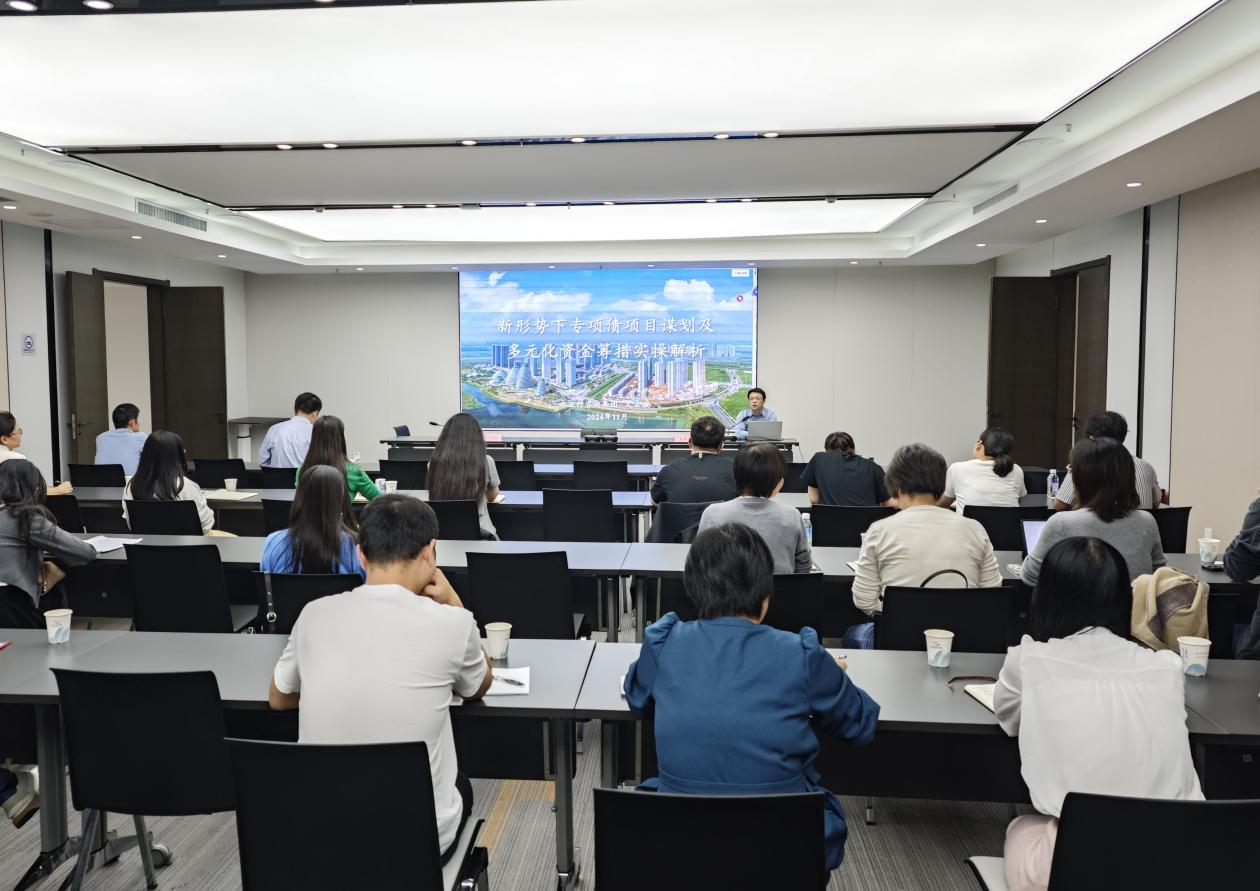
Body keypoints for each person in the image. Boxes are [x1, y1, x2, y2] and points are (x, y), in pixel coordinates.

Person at [625, 523, 880, 872]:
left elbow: (638, 698)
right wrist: (827, 673)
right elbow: (860, 726)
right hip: (784, 851)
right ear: (766, 594)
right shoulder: (802, 654)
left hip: (681, 847)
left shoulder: (663, 643)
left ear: (694, 589)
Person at [268, 495, 492, 863]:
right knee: (460, 783)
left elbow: (278, 698)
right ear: (429, 552)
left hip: (323, 835)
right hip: (416, 843)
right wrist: (453, 600)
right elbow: (478, 685)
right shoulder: (453, 623)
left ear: (361, 555)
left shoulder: (312, 614)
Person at [994, 536, 1203, 891]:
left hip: (1077, 864)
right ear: (1124, 598)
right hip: (1176, 862)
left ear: (1046, 596)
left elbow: (1009, 719)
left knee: (1021, 828)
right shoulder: (1167, 667)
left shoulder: (1028, 660)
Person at [0, 459, 97, 827]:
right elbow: (85, 553)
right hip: (11, 613)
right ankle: (48, 757)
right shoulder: (26, 518)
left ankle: (12, 782)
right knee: (42, 682)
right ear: (33, 489)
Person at [846, 443, 1001, 648]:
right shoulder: (975, 529)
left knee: (852, 634)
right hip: (960, 640)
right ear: (941, 484)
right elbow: (991, 593)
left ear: (895, 485)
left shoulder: (879, 530)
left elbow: (863, 600)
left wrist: (896, 613)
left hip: (899, 640)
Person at [1019, 437, 1164, 588]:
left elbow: (1030, 576)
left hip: (1075, 602)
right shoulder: (1147, 522)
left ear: (1079, 478)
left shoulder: (1061, 523)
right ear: (1128, 476)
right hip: (1131, 603)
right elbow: (1159, 574)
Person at [697, 442, 811, 574]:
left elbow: (701, 562)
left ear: (736, 477)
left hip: (727, 587)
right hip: (778, 588)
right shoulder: (791, 515)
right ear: (778, 482)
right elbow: (803, 567)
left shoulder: (713, 513)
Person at [260, 464, 365, 580]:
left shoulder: (273, 542)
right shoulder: (357, 547)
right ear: (339, 500)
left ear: (299, 497)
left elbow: (266, 582)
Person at [1053, 411, 1160, 510]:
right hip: (1141, 524)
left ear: (1091, 438)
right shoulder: (1146, 466)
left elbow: (1059, 505)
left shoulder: (1086, 463)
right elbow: (1156, 503)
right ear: (1123, 437)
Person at [123, 430, 216, 534]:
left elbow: (131, 524)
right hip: (188, 544)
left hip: (146, 543)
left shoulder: (131, 485)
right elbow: (206, 524)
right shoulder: (185, 486)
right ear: (177, 456)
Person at [425, 412, 500, 539]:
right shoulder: (486, 461)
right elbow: (492, 497)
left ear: (445, 436)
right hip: (481, 536)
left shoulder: (432, 463)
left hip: (442, 536)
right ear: (477, 437)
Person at [650, 415, 737, 505]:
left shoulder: (669, 470)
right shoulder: (737, 470)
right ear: (721, 446)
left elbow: (654, 502)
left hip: (680, 515)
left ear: (689, 442)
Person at [939, 427, 1026, 512]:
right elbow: (1017, 501)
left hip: (969, 522)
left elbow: (943, 504)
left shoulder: (957, 468)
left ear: (979, 444)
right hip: (1008, 521)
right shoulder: (1016, 470)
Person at [296, 415, 380, 502]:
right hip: (342, 511)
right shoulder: (352, 471)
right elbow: (380, 499)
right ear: (340, 439)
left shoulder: (302, 470)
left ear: (314, 438)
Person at [800, 431, 892, 507]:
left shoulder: (819, 459)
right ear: (853, 449)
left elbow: (814, 499)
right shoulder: (872, 466)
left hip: (829, 522)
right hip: (868, 523)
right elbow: (890, 502)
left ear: (827, 450)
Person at [0, 412, 71, 495]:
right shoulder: (15, 460)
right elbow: (33, 491)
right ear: (4, 439)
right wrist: (58, 490)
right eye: (18, 431)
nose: (20, 434)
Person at [258, 392, 321, 468]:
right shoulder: (316, 432)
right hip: (305, 475)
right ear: (315, 414)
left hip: (275, 475)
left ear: (294, 410)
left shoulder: (274, 429)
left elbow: (262, 461)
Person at [94, 403, 148, 476]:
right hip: (130, 482)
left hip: (102, 481)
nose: (139, 423)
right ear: (132, 422)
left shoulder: (100, 438)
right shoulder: (141, 437)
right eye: (137, 420)